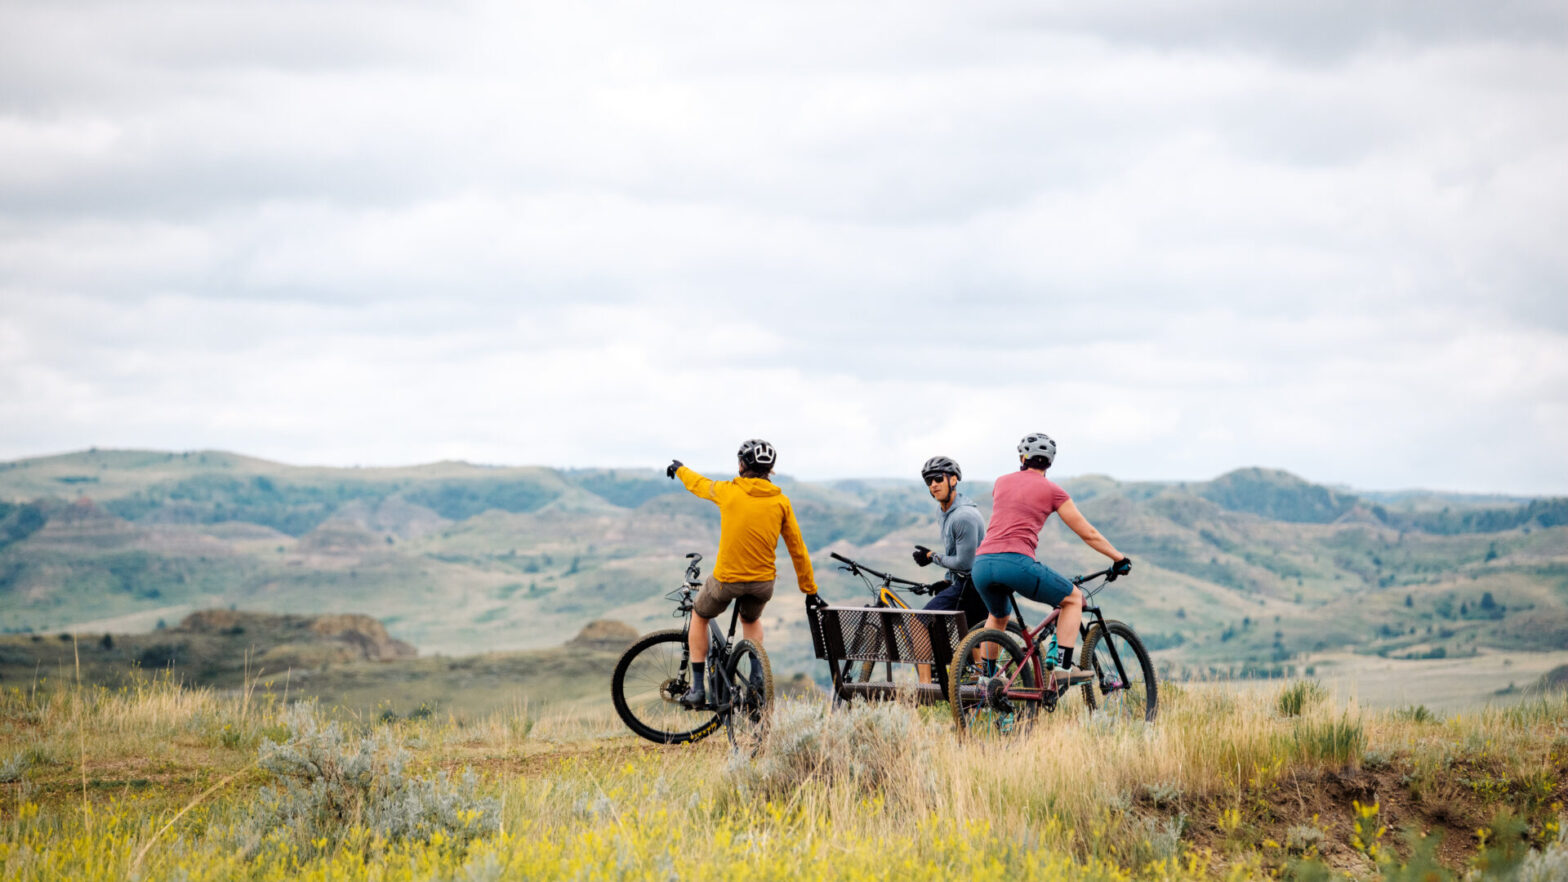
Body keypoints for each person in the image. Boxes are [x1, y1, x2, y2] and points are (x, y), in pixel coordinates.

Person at [665, 439, 818, 707]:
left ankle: (698, 689)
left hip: (727, 581)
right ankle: (757, 677)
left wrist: (680, 469)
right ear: (769, 469)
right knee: (751, 619)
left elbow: (700, 485)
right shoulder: (781, 502)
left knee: (700, 615)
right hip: (762, 584)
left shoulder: (728, 491)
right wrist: (810, 589)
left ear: (742, 465)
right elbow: (798, 549)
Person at [970, 433, 1132, 687]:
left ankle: (988, 678)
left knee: (998, 615)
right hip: (1015, 563)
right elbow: (1088, 533)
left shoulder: (1001, 482)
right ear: (1049, 463)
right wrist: (1119, 558)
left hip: (981, 565)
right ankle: (1063, 669)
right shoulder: (1054, 491)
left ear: (1023, 457)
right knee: (1072, 598)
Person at [911, 455, 989, 683]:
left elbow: (964, 563)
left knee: (919, 622)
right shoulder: (943, 512)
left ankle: (925, 688)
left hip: (974, 583)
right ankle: (979, 682)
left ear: (953, 480)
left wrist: (931, 557)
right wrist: (947, 580)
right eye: (928, 481)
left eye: (937, 478)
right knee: (971, 634)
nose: (933, 485)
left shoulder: (964, 516)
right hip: (968, 582)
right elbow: (955, 553)